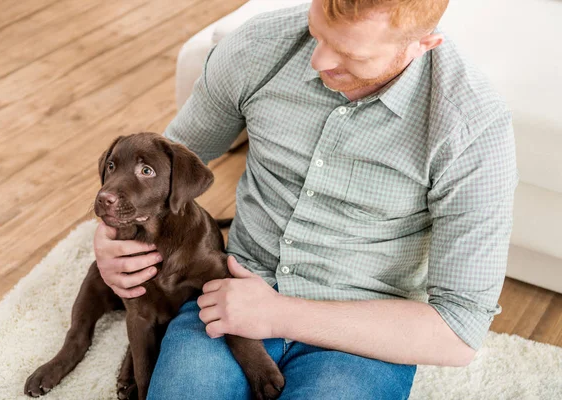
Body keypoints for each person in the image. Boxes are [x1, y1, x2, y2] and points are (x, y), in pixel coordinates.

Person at [93, 0, 519, 398]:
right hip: (227, 293)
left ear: (424, 44)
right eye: (317, 32)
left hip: (361, 330)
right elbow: (165, 166)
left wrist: (278, 314)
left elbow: (458, 330)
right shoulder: (258, 46)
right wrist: (108, 237)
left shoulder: (471, 127)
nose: (318, 61)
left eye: (351, 54)